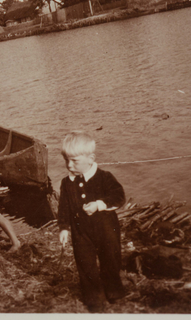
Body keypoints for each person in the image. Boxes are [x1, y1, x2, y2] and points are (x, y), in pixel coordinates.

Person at [57, 131, 126, 312]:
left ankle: (114, 290)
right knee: (85, 263)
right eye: (66, 160)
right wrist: (64, 228)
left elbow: (119, 197)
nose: (69, 165)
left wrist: (99, 204)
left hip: (106, 228)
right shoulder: (66, 183)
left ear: (91, 158)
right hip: (81, 232)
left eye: (75, 161)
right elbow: (64, 206)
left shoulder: (104, 177)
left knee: (110, 259)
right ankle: (93, 297)